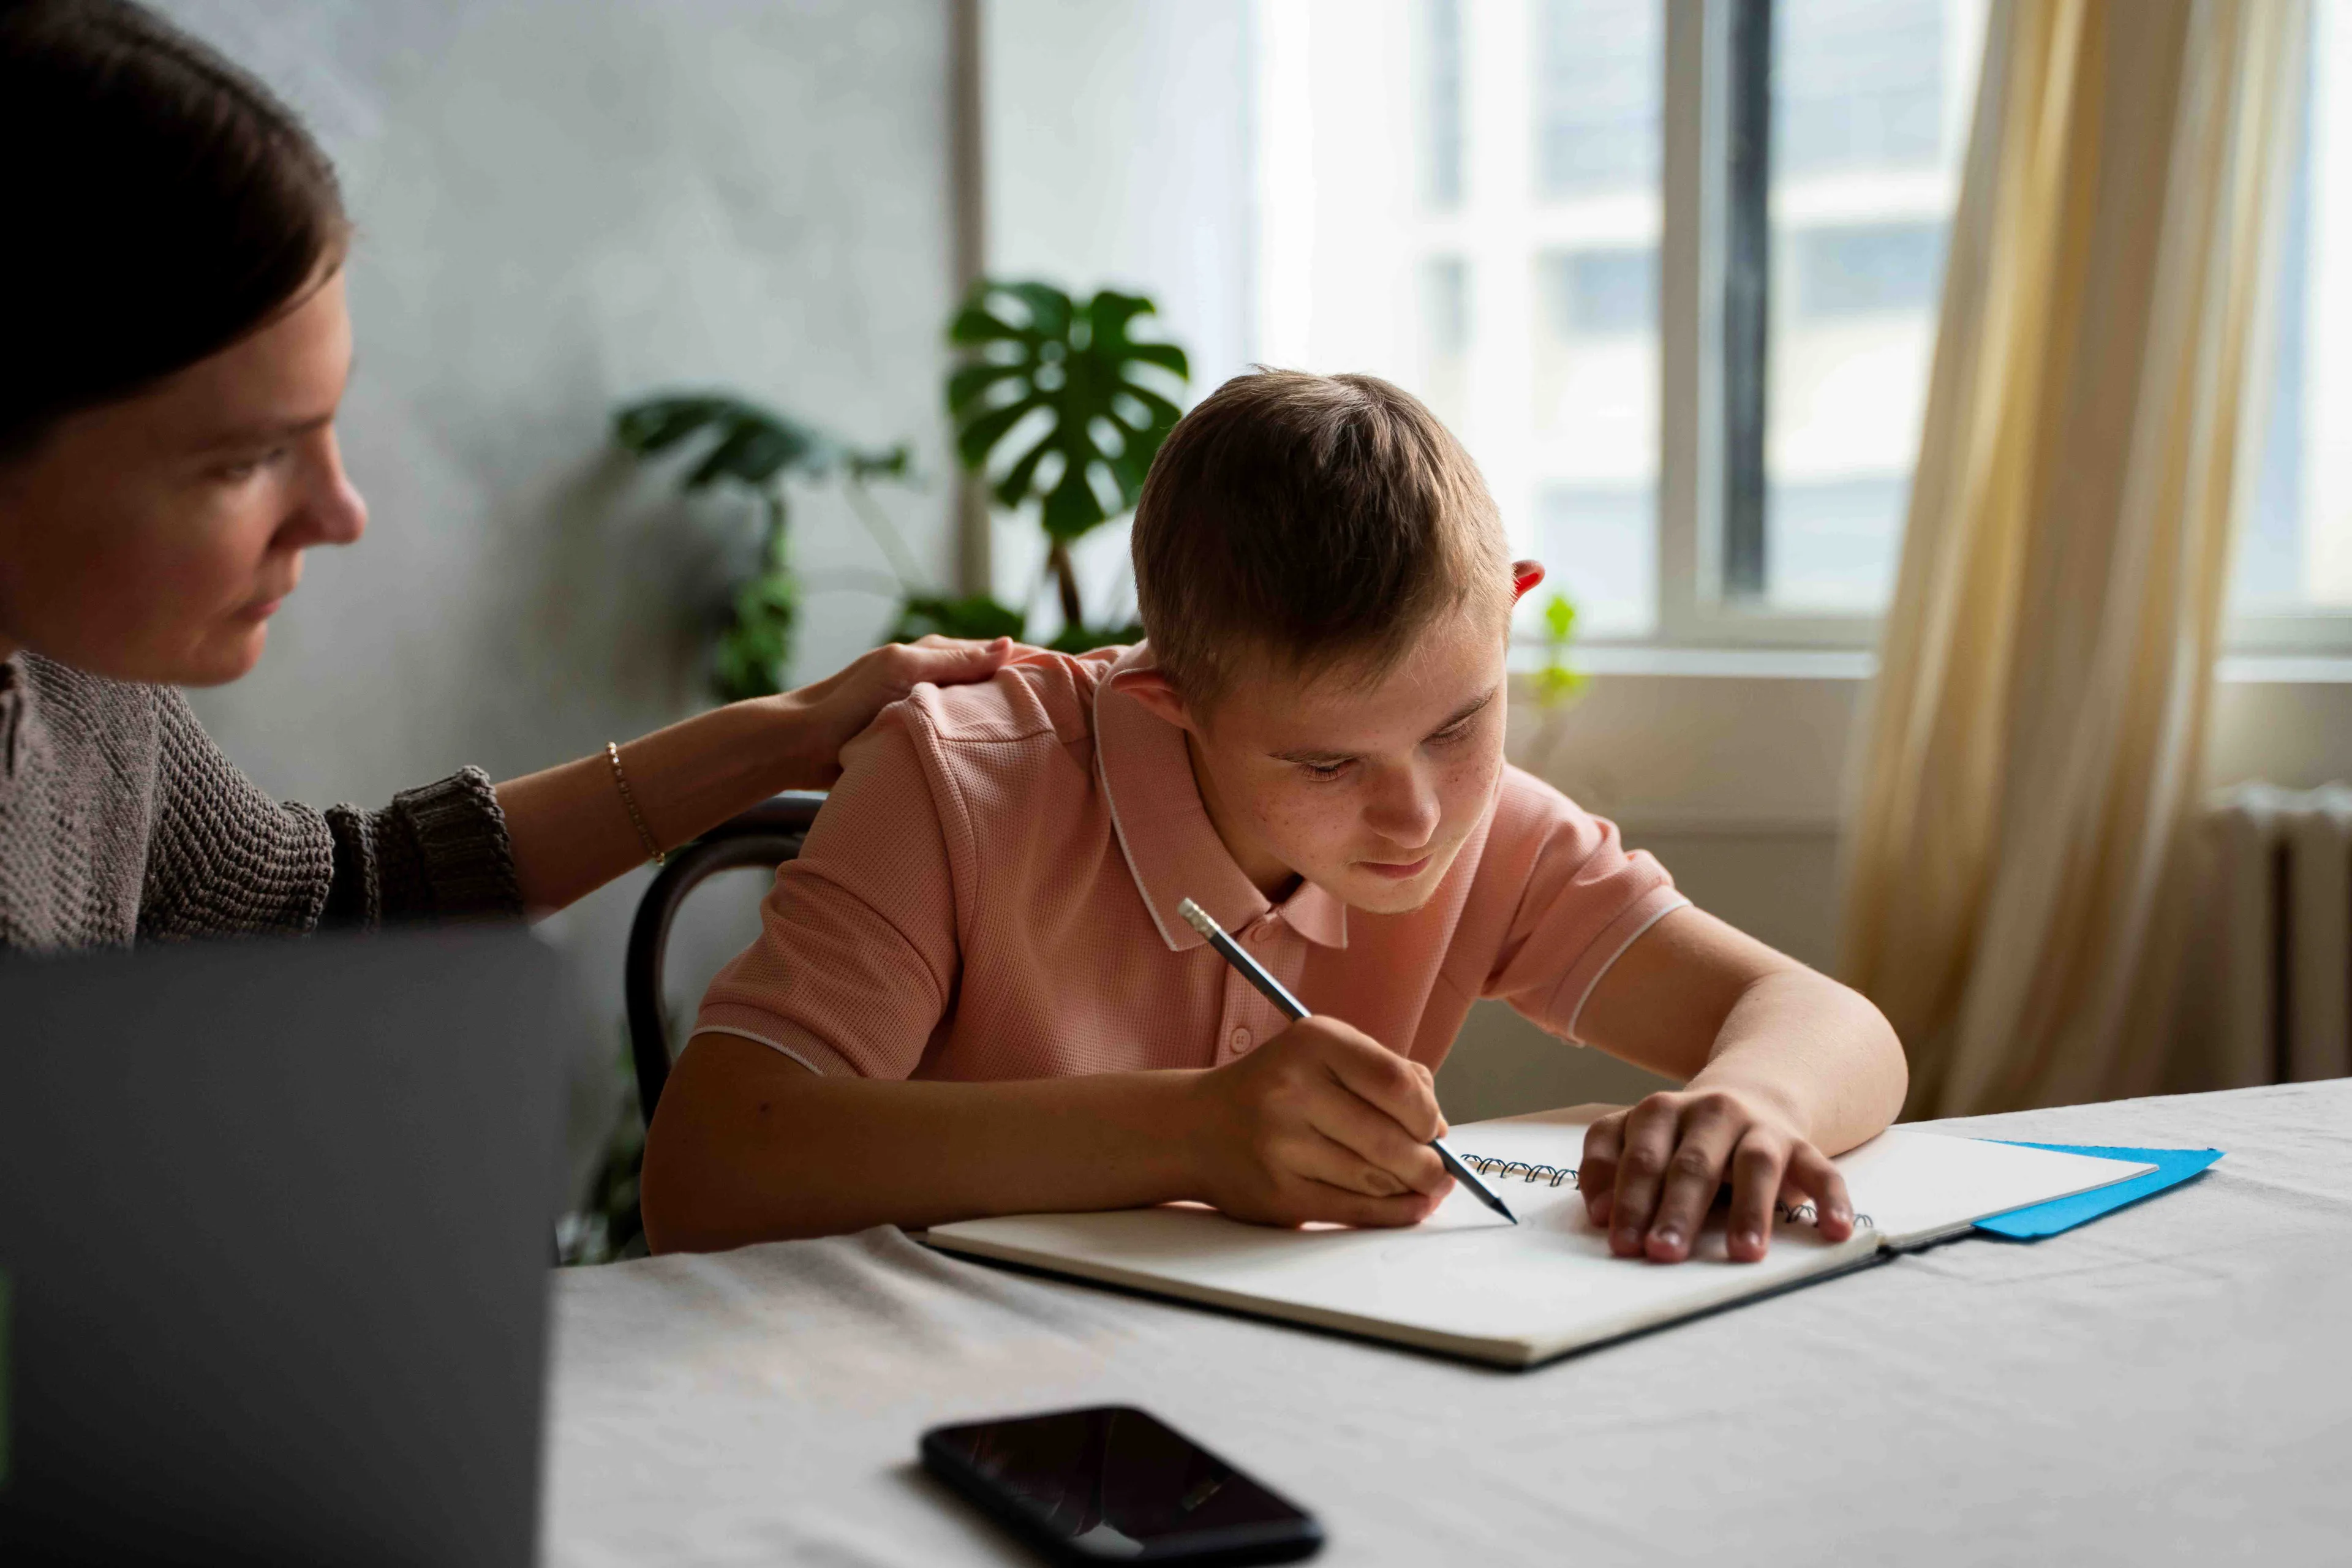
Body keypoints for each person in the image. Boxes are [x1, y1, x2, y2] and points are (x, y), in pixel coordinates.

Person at [642, 371, 1909, 1264]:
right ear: (1166, 698)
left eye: (1461, 723)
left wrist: (1756, 1099)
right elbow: (709, 1165)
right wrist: (1188, 1128)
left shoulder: (1494, 832)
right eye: (1323, 763)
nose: (1417, 813)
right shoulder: (955, 784)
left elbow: (1834, 1024)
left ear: (1509, 610)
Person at [0, 0, 1006, 953]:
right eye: (248, 458)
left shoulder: (77, 688)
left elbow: (324, 904)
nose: (339, 513)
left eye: (323, 426)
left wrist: (795, 732)